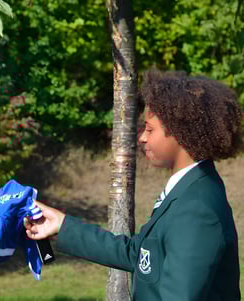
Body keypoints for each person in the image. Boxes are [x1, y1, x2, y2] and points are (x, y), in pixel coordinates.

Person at [25, 68, 242, 300]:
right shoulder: (187, 187)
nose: (142, 137)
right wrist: (61, 224)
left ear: (180, 133)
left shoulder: (197, 208)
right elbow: (137, 254)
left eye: (150, 129)